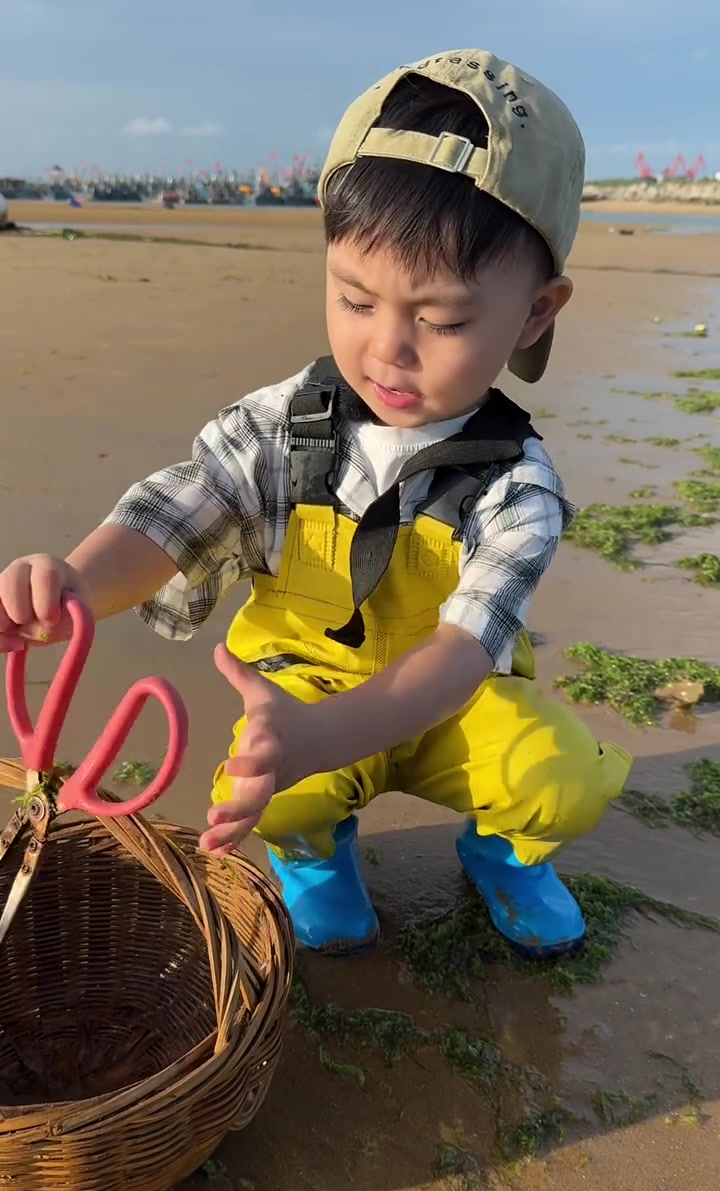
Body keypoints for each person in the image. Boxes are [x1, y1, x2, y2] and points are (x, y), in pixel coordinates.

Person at [0, 49, 632, 959]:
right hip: (297, 687)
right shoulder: (279, 426)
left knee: (563, 775)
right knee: (272, 774)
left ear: (535, 314)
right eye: (353, 298)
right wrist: (67, 586)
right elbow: (177, 514)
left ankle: (505, 856)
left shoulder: (517, 485)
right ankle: (314, 857)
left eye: (442, 320)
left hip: (448, 706)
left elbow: (462, 654)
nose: (388, 349)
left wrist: (324, 736)